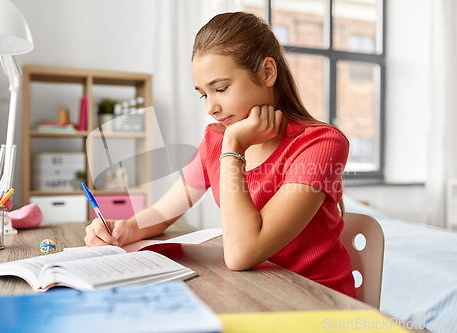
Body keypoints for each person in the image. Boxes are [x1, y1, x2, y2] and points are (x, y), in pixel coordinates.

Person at [85, 11, 355, 298]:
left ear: (267, 72)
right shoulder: (218, 139)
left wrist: (234, 146)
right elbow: (165, 212)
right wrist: (124, 229)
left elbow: (242, 253)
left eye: (221, 88)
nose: (210, 107)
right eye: (203, 94)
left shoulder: (320, 144)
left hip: (316, 302)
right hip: (253, 292)